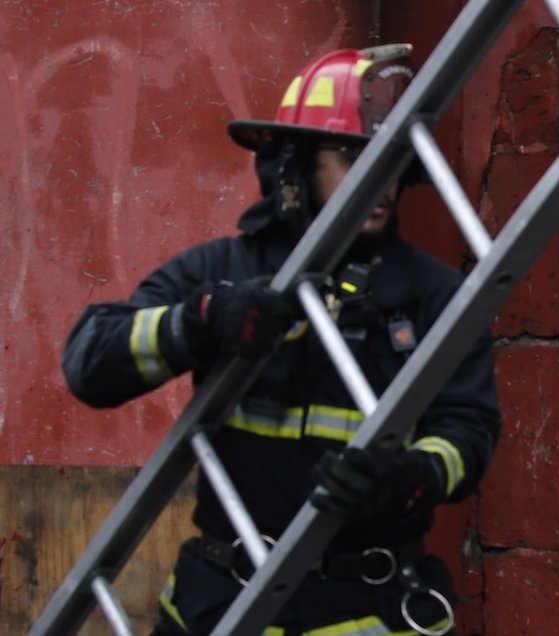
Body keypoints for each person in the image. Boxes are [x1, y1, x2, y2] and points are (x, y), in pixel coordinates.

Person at [60, 45, 502, 635]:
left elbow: (466, 431)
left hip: (364, 606)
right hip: (225, 601)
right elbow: (89, 360)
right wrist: (198, 323)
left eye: (389, 159)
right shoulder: (226, 272)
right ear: (295, 162)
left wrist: (407, 479)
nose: (379, 181)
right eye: (349, 155)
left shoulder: (435, 295)